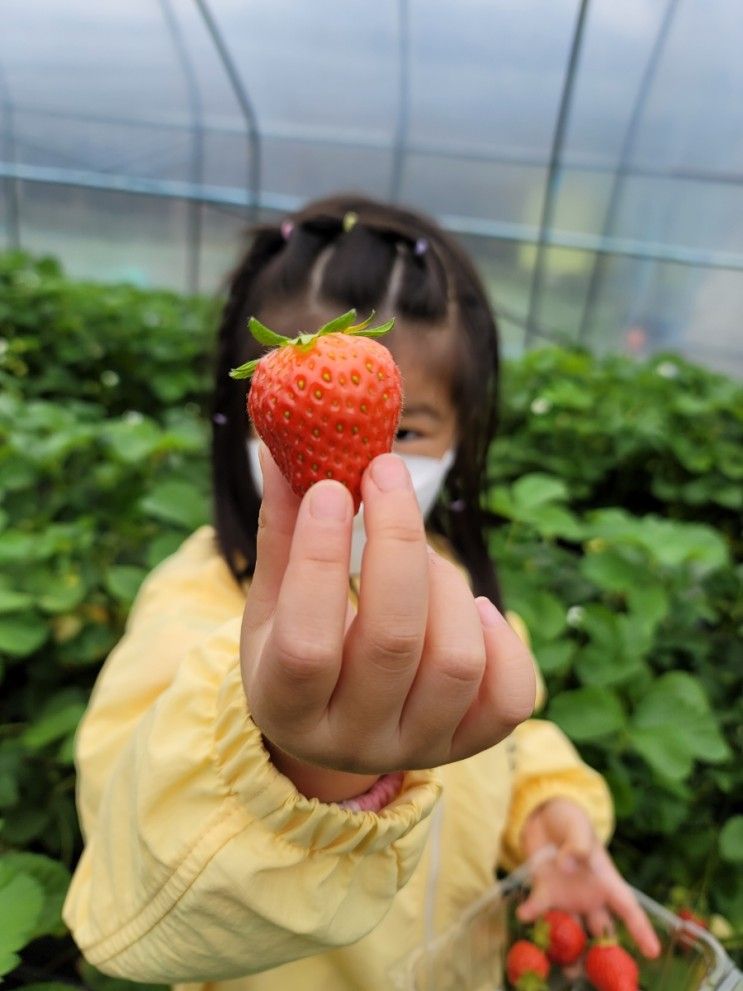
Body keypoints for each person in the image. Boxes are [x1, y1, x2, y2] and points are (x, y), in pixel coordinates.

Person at [63, 194, 660, 989]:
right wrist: (297, 764)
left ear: (464, 436)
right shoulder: (192, 605)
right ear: (243, 418)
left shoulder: (450, 590)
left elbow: (508, 738)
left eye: (406, 432)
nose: (368, 461)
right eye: (350, 423)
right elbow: (134, 857)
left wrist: (546, 813)